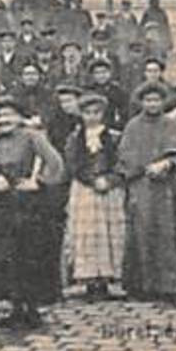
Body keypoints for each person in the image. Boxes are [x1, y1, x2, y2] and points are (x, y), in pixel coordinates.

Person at [0, 97, 64, 326]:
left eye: (9, 115)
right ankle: (15, 306)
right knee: (7, 254)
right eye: (0, 116)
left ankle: (31, 307)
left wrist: (38, 182)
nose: (4, 120)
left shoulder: (32, 136)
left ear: (20, 117)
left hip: (28, 204)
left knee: (29, 254)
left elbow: (56, 164)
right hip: (2, 203)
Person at [116, 82, 176, 301]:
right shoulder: (133, 126)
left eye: (156, 100)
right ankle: (140, 285)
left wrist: (166, 164)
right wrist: (140, 169)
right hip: (140, 185)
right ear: (142, 102)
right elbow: (124, 156)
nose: (152, 104)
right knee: (140, 231)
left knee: (166, 231)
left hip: (165, 186)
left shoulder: (171, 124)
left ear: (163, 102)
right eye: (148, 100)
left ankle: (168, 285)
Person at [62, 93, 124, 301]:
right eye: (87, 113)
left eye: (96, 112)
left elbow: (120, 162)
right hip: (84, 188)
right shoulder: (74, 138)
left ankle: (106, 279)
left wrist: (109, 180)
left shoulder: (114, 137)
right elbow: (71, 163)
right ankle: (88, 279)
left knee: (107, 231)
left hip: (108, 189)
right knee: (86, 232)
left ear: (103, 114)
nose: (92, 116)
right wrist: (90, 179)